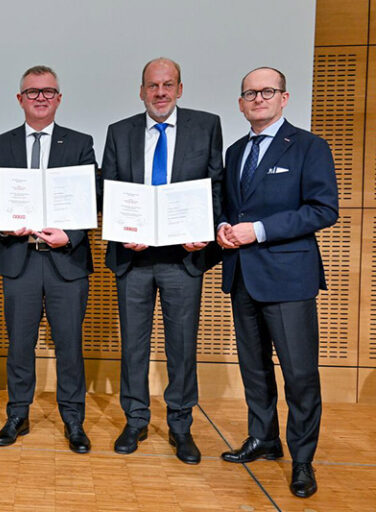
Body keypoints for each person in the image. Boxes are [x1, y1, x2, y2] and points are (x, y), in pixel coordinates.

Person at [217, 67, 338, 498]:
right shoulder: (234, 152)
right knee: (255, 369)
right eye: (250, 92)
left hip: (289, 277)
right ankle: (264, 438)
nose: (258, 98)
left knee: (300, 374)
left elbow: (323, 209)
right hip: (243, 276)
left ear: (284, 98)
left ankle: (302, 459)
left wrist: (259, 230)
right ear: (241, 102)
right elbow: (228, 208)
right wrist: (223, 228)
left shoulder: (309, 147)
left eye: (267, 91)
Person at [101, 57, 223, 464]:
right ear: (141, 91)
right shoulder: (119, 132)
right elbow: (110, 189)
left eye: (168, 84)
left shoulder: (206, 126)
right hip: (133, 260)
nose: (160, 92)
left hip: (183, 260)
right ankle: (135, 420)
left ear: (180, 89)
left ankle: (181, 426)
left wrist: (205, 233)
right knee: (133, 345)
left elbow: (216, 186)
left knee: (181, 347)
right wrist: (122, 231)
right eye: (152, 85)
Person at [0, 65, 96, 454]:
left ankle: (74, 419)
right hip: (20, 259)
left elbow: (90, 197)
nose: (41, 97)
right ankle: (18, 414)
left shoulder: (80, 143)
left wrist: (73, 235)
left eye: (49, 91)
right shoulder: (1, 143)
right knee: (19, 343)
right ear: (20, 99)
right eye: (33, 92)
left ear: (59, 98)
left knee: (69, 344)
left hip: (66, 259)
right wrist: (3, 226)